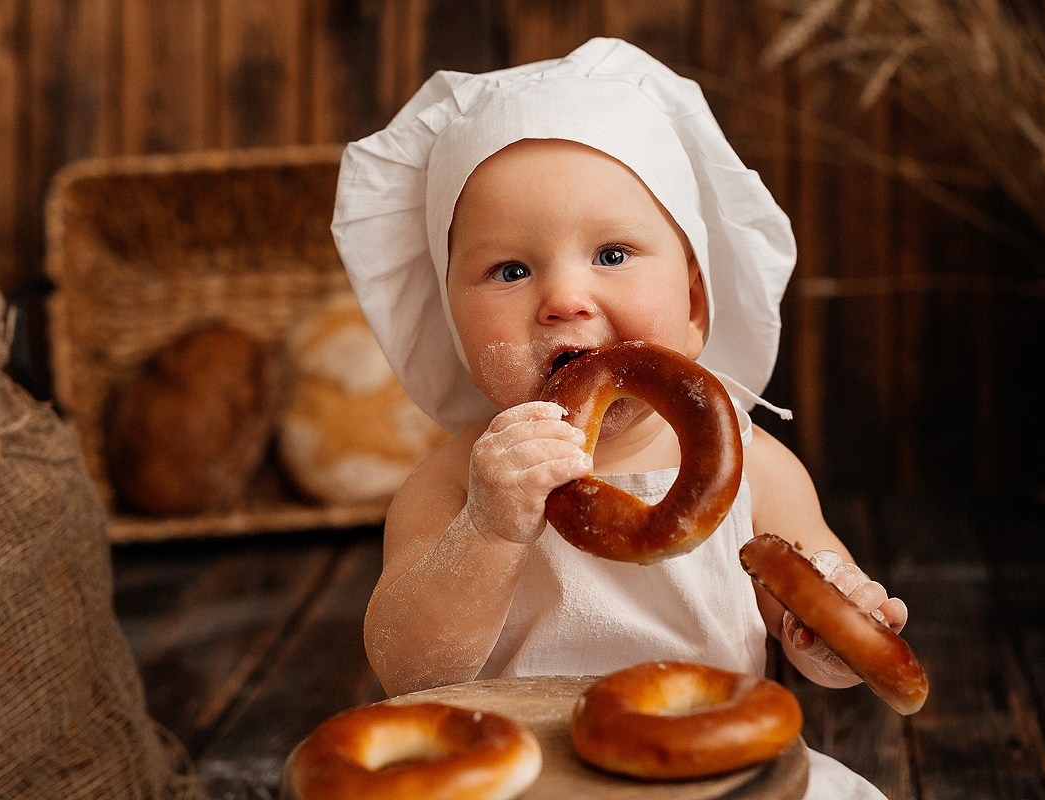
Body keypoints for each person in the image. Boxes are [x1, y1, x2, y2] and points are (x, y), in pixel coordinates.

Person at [332, 37, 906, 799]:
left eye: (612, 254)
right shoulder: (452, 485)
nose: (565, 298)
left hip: (707, 773)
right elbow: (410, 671)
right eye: (510, 270)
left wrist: (825, 643)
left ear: (696, 304)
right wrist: (488, 528)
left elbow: (808, 604)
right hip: (516, 784)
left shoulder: (755, 468)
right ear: (453, 330)